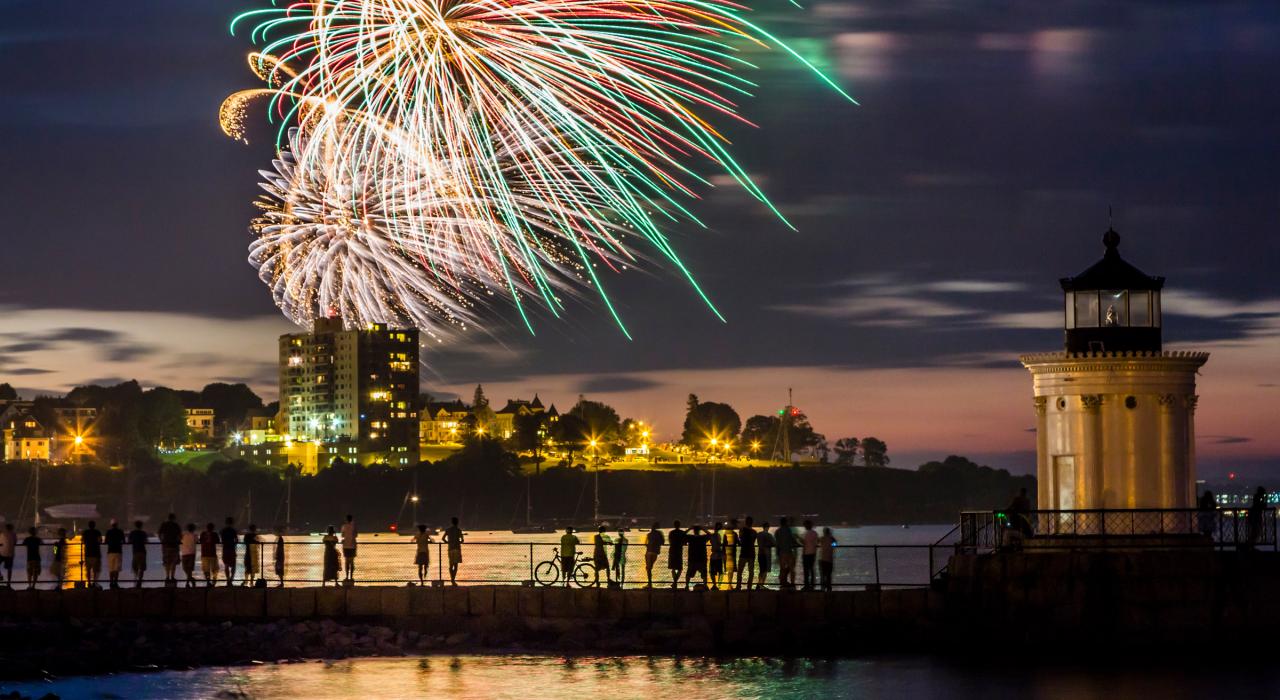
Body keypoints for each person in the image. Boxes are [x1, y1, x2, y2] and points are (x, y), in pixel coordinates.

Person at [158, 513, 182, 586]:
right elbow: (179, 535)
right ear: (174, 518)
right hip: (174, 546)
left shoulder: (164, 525)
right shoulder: (176, 525)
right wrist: (178, 541)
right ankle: (172, 576)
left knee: (167, 562)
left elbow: (159, 533)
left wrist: (162, 541)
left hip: (166, 545)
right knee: (173, 562)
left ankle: (167, 576)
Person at [774, 517, 797, 589]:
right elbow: (792, 540)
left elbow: (777, 543)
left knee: (782, 569)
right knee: (792, 569)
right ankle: (792, 583)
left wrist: (777, 553)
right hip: (789, 552)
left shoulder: (777, 531)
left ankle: (783, 583)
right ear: (786, 523)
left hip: (781, 553)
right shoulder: (788, 530)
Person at [736, 517, 756, 590]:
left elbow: (740, 538)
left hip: (744, 552)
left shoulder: (742, 530)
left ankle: (738, 586)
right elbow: (752, 541)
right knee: (751, 572)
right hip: (751, 553)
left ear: (746, 522)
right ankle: (749, 587)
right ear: (752, 523)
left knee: (740, 571)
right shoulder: (754, 532)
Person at [81, 521, 103, 588]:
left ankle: (89, 583)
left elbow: (83, 541)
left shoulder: (85, 533)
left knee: (88, 569)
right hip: (96, 553)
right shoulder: (97, 532)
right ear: (94, 525)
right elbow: (100, 541)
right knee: (95, 570)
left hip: (88, 553)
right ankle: (94, 583)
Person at [105, 520, 125, 589]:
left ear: (111, 525)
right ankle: (115, 583)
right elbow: (124, 541)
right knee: (116, 569)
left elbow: (106, 541)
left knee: (111, 568)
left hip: (110, 551)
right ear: (117, 525)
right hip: (118, 551)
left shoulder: (108, 532)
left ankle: (111, 583)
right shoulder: (120, 532)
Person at [128, 521, 148, 588]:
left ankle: (136, 579)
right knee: (142, 567)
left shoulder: (132, 533)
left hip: (135, 551)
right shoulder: (143, 533)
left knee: (135, 567)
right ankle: (140, 580)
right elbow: (146, 541)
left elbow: (129, 541)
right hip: (142, 551)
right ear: (141, 526)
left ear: (135, 526)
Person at [444, 516, 464, 585]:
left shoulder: (448, 530)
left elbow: (443, 538)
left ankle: (451, 578)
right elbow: (462, 540)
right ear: (457, 522)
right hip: (457, 549)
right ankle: (453, 579)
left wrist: (448, 542)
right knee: (455, 566)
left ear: (451, 522)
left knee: (450, 565)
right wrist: (458, 542)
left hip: (450, 549)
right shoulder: (459, 530)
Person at [643, 523, 664, 588]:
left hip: (649, 552)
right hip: (655, 552)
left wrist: (649, 546)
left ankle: (649, 583)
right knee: (650, 567)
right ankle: (650, 583)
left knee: (648, 568)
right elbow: (662, 542)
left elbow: (645, 543)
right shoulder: (659, 534)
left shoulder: (649, 534)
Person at [199, 522, 220, 587]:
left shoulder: (203, 534)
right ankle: (214, 582)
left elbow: (200, 541)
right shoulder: (214, 534)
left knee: (206, 569)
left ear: (206, 528)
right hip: (212, 554)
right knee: (215, 569)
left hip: (204, 554)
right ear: (213, 528)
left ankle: (208, 581)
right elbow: (218, 541)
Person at [220, 518, 239, 586]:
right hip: (232, 549)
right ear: (232, 523)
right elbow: (236, 540)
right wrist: (234, 543)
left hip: (225, 549)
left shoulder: (223, 531)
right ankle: (231, 579)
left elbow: (222, 540)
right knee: (233, 566)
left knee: (226, 565)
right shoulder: (233, 531)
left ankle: (228, 579)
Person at [667, 520, 686, 589]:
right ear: (679, 525)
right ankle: (675, 583)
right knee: (680, 568)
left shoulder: (671, 532)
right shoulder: (682, 532)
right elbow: (684, 543)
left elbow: (670, 541)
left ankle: (674, 583)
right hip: (679, 551)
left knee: (673, 568)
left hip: (672, 550)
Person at [756, 521, 775, 589]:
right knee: (765, 570)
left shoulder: (758, 534)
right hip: (766, 554)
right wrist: (769, 544)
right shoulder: (769, 535)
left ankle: (759, 584)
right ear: (768, 527)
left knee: (761, 570)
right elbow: (774, 543)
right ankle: (761, 585)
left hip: (760, 554)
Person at [801, 520, 818, 591]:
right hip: (813, 553)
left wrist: (798, 538)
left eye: (805, 525)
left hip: (806, 553)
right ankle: (813, 585)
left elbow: (804, 543)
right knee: (811, 569)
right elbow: (816, 543)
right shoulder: (815, 533)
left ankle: (806, 585)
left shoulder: (806, 534)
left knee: (806, 570)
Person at [818, 527, 837, 591]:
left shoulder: (822, 539)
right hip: (829, 559)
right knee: (828, 575)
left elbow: (817, 542)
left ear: (824, 532)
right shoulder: (832, 539)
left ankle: (823, 588)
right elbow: (834, 545)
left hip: (822, 559)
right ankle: (829, 588)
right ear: (829, 532)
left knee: (822, 575)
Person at [180, 523, 198, 588]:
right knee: (188, 569)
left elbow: (180, 540)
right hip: (191, 554)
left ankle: (188, 583)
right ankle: (191, 580)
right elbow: (197, 541)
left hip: (185, 553)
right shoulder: (194, 535)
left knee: (186, 569)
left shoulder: (184, 535)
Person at [708, 522, 725, 589]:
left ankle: (716, 585)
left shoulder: (714, 535)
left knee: (713, 572)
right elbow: (720, 544)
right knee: (719, 572)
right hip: (718, 556)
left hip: (716, 556)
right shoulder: (718, 535)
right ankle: (718, 585)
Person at [341, 514, 358, 581]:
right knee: (352, 562)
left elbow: (342, 535)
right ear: (352, 519)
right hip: (353, 546)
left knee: (347, 562)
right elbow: (356, 535)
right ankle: (351, 576)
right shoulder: (354, 526)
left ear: (346, 519)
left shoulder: (344, 526)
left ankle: (346, 576)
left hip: (346, 546)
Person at [723, 519, 738, 587]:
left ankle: (728, 584)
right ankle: (729, 584)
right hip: (732, 554)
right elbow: (738, 543)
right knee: (731, 570)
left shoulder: (725, 533)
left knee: (728, 570)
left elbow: (723, 544)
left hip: (726, 554)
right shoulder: (734, 534)